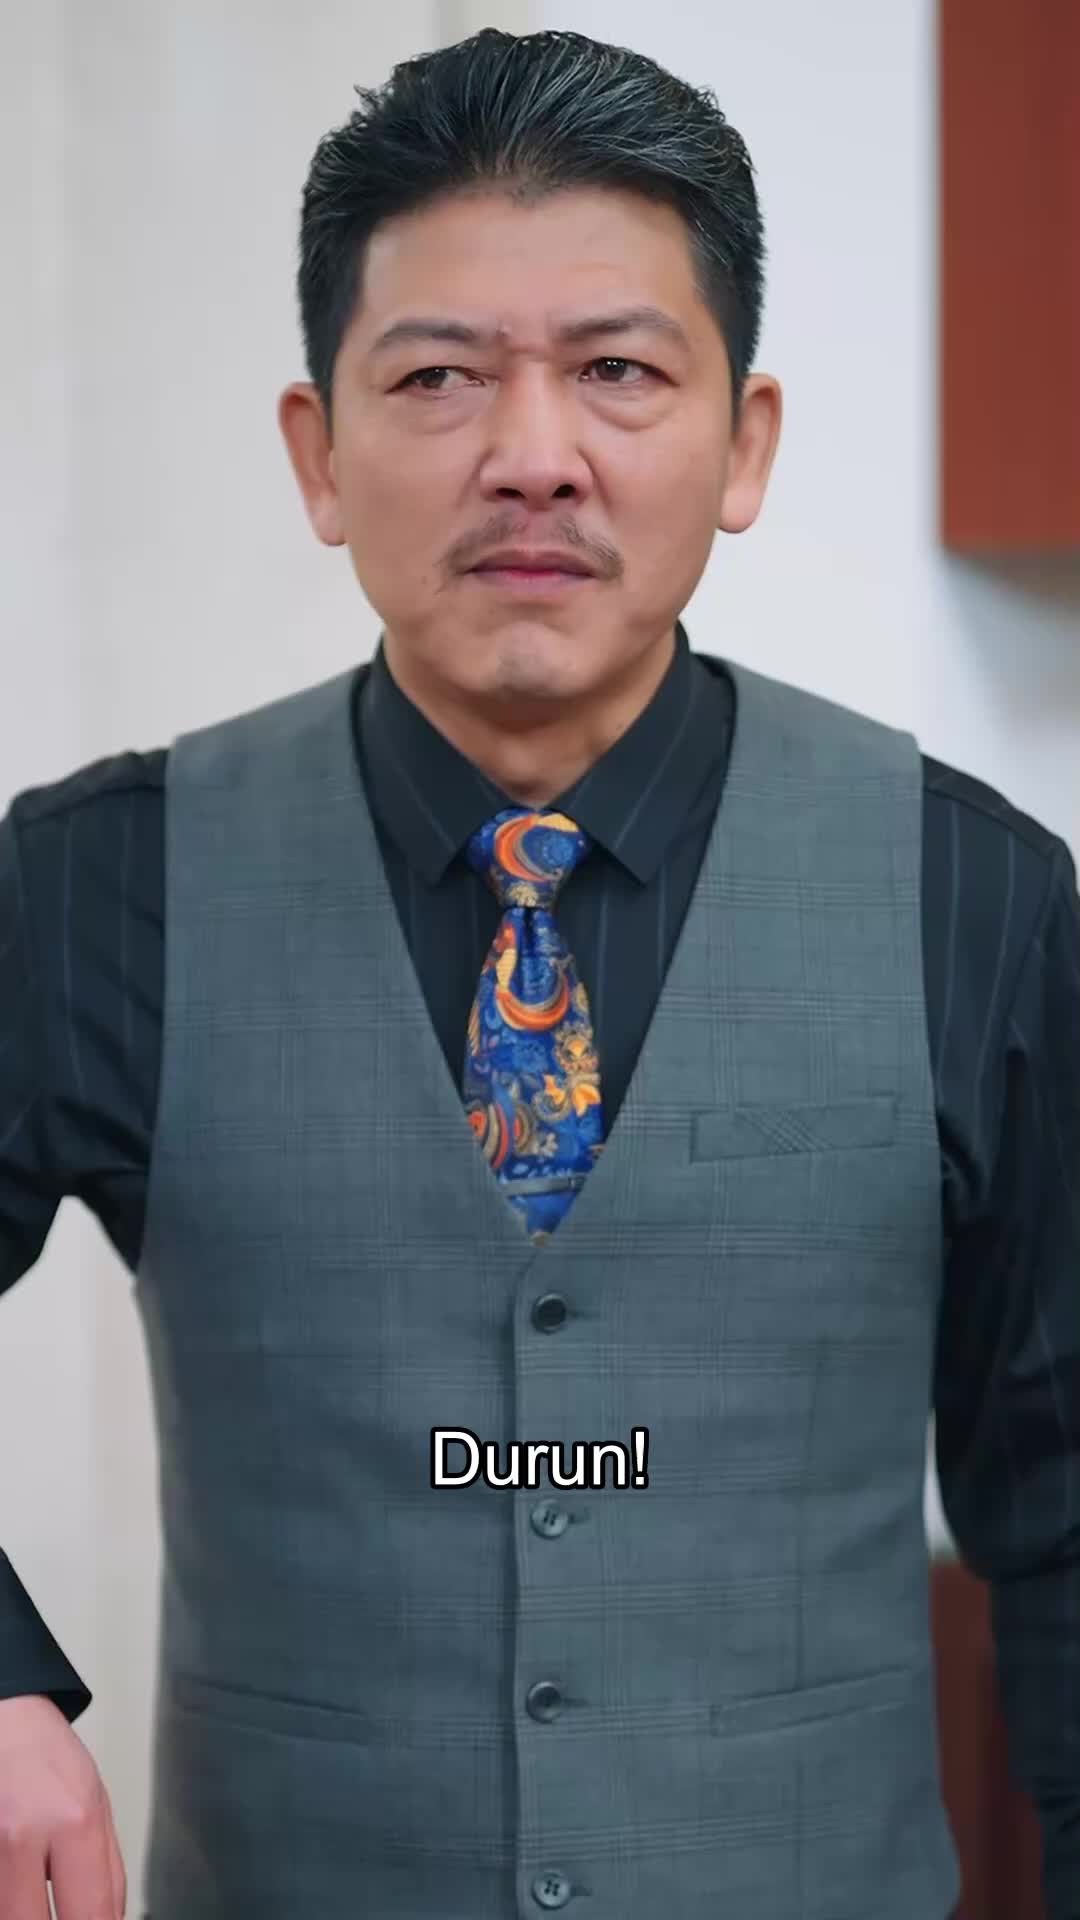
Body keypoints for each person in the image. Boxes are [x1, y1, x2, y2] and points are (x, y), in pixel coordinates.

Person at [0, 24, 1076, 1920]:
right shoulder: (104, 884)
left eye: (617, 370)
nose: (532, 456)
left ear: (744, 443)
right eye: (439, 376)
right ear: (318, 455)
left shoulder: (969, 893)